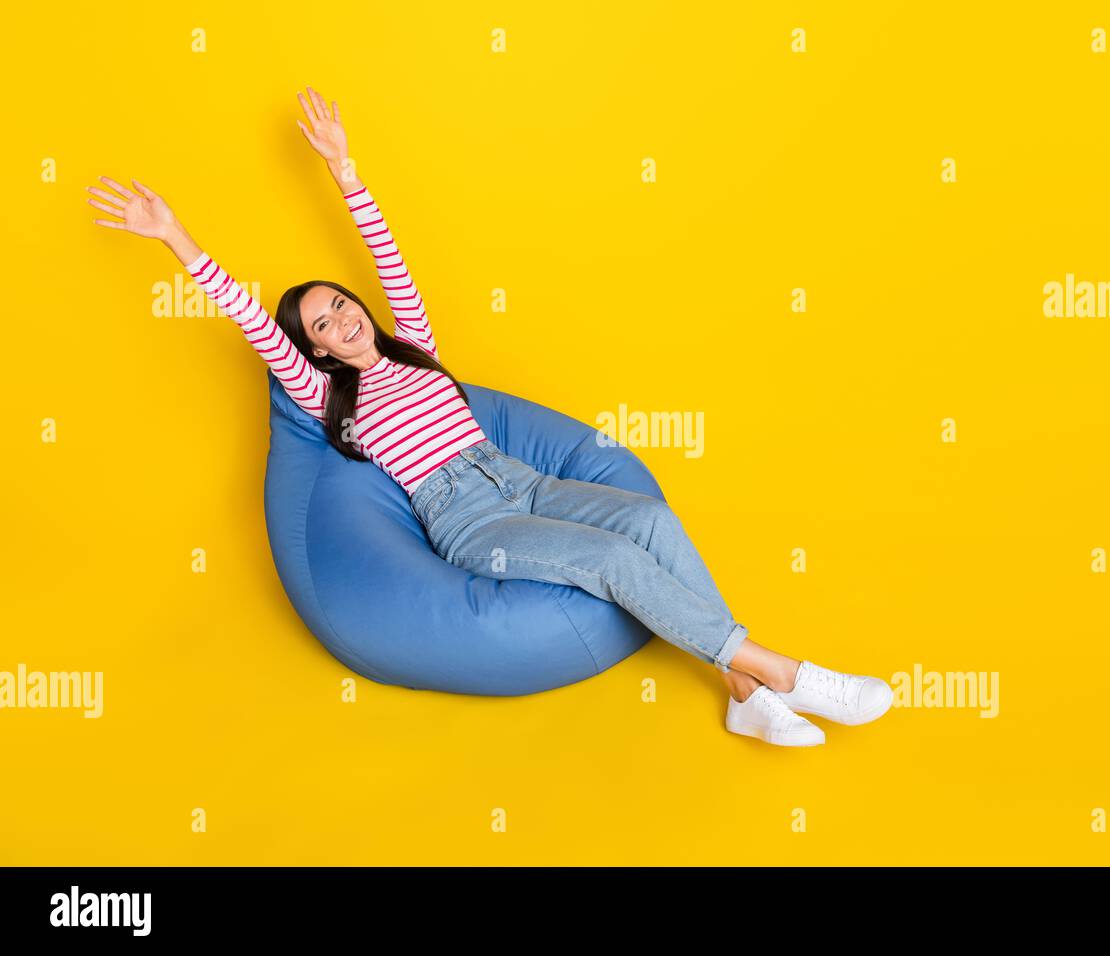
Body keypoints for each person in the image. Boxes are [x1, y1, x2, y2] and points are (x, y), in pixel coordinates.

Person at [87, 85, 893, 746]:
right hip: (468, 521)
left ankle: (740, 691)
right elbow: (254, 322)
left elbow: (392, 260)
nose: (340, 321)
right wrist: (177, 240)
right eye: (322, 326)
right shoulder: (327, 394)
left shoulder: (417, 349)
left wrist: (344, 169)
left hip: (522, 480)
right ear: (318, 354)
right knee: (609, 563)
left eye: (340, 305)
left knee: (646, 518)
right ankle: (790, 674)